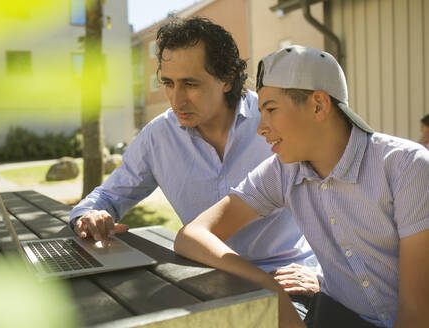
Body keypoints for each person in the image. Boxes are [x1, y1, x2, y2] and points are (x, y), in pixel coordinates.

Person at [174, 45, 429, 328]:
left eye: (271, 109)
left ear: (318, 105)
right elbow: (192, 234)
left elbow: (417, 314)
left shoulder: (408, 166)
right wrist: (267, 287)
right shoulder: (284, 171)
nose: (261, 127)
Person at [70, 17, 320, 301]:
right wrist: (89, 215)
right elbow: (107, 196)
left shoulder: (275, 122)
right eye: (168, 83)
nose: (176, 100)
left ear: (226, 78)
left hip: (288, 283)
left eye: (190, 84)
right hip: (207, 282)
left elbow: (340, 208)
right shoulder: (158, 137)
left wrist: (321, 275)